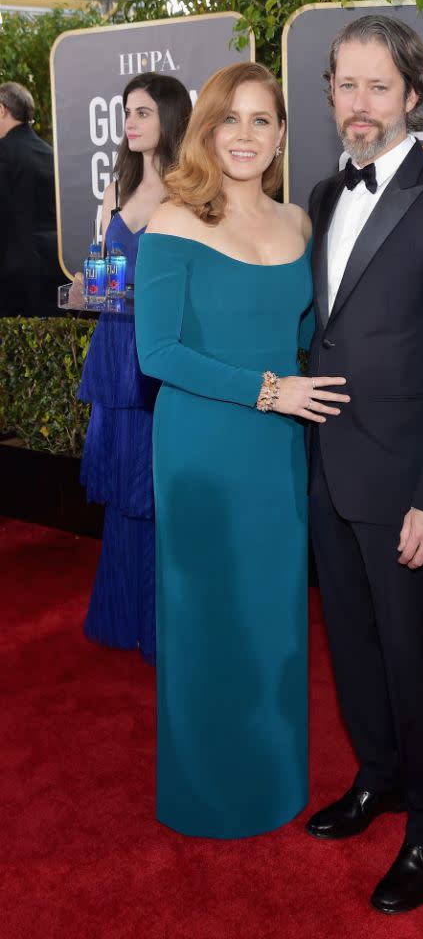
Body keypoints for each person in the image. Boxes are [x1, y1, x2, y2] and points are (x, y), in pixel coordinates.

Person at [304, 16, 423, 915]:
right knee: (349, 644)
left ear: (414, 95)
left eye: (379, 87)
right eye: (347, 85)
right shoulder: (320, 195)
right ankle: (377, 776)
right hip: (330, 472)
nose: (360, 104)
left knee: (413, 657)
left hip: (406, 487)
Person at [134, 62, 348, 838]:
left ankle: (273, 778)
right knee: (206, 617)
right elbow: (156, 353)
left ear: (284, 133)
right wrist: (269, 390)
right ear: (207, 130)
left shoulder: (299, 226)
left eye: (263, 120)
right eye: (231, 119)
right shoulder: (172, 222)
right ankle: (206, 792)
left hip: (277, 452)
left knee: (273, 616)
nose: (246, 135)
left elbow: (304, 345)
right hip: (202, 449)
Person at [77, 73, 192, 664]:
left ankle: (167, 621)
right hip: (116, 351)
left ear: (169, 117)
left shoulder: (191, 189)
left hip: (163, 353)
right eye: (127, 111)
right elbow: (104, 281)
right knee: (127, 490)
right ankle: (125, 611)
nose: (131, 122)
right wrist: (95, 289)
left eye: (143, 112)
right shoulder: (117, 183)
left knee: (161, 489)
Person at [0, 81, 63, 317]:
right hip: (54, 275)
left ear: (2, 110)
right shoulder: (51, 155)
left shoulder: (3, 153)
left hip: (11, 284)